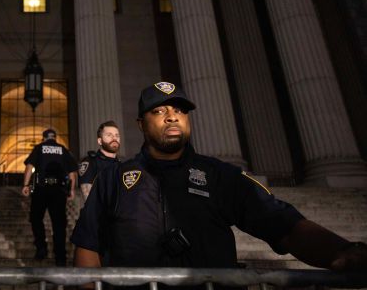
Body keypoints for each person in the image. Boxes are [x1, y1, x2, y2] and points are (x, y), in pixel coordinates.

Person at [72, 81, 367, 274]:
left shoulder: (221, 176)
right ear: (140, 123)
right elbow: (88, 245)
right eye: (159, 111)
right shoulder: (114, 179)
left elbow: (284, 225)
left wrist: (340, 251)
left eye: (179, 110)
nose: (172, 116)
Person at [22, 128, 78, 266]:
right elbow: (72, 172)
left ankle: (41, 248)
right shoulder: (62, 149)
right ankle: (60, 256)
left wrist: (25, 185)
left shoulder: (39, 148)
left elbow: (29, 167)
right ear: (55, 138)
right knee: (59, 224)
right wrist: (71, 190)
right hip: (59, 191)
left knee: (36, 218)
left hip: (41, 189)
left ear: (44, 138)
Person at [78, 120, 121, 200]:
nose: (114, 138)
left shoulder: (121, 164)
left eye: (117, 135)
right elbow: (88, 197)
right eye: (109, 135)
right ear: (100, 141)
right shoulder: (91, 162)